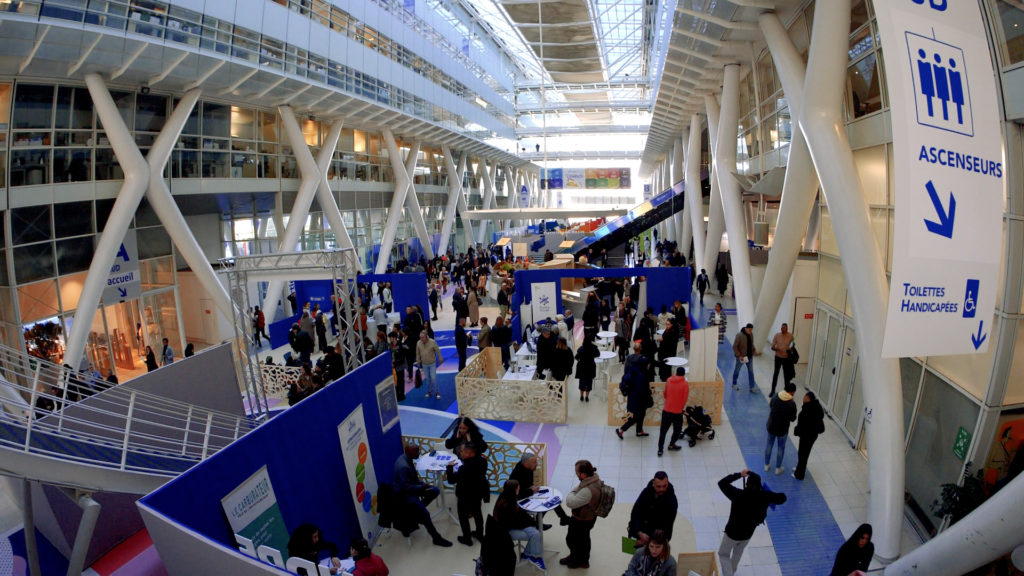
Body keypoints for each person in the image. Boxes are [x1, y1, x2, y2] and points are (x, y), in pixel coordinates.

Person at [717, 470, 787, 576]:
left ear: (746, 483)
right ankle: (732, 571)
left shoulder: (738, 494)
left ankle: (728, 574)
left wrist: (739, 475)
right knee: (738, 553)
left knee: (723, 554)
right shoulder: (765, 496)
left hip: (732, 533)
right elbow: (782, 498)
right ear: (759, 485)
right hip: (747, 534)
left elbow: (722, 483)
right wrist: (767, 493)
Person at [392, 443, 453, 547]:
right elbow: (405, 487)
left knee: (434, 491)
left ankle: (416, 513)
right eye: (416, 451)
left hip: (412, 487)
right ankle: (436, 538)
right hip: (405, 495)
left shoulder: (405, 458)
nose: (419, 453)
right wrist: (422, 487)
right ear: (409, 452)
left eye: (418, 450)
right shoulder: (403, 467)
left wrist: (422, 485)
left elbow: (411, 481)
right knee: (426, 515)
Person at [555, 460, 604, 569]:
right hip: (590, 517)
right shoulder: (595, 480)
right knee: (584, 538)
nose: (576, 474)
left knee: (572, 539)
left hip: (582, 520)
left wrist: (572, 493)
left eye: (577, 472)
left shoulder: (587, 490)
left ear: (584, 474)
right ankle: (581, 559)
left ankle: (577, 560)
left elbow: (570, 502)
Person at [492, 479, 545, 571]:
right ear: (514, 489)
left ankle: (528, 554)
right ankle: (535, 557)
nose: (519, 489)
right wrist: (532, 522)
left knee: (536, 533)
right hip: (506, 532)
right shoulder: (507, 504)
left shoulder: (506, 496)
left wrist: (530, 522)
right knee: (535, 534)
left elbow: (518, 517)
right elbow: (515, 522)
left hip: (511, 526)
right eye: (518, 488)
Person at [446, 441, 489, 546]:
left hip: (464, 496)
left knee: (463, 517)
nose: (460, 453)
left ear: (470, 453)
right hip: (478, 493)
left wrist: (449, 467)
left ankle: (467, 538)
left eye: (462, 451)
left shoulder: (463, 469)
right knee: (477, 514)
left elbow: (451, 480)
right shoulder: (483, 461)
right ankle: (479, 534)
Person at [628, 473, 678, 546]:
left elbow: (667, 525)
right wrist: (638, 533)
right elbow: (635, 513)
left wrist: (651, 541)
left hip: (657, 541)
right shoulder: (646, 493)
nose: (662, 489)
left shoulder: (671, 501)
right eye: (659, 486)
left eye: (664, 486)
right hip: (640, 536)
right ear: (653, 484)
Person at [617, 342, 652, 439]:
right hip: (641, 392)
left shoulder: (628, 359)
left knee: (640, 413)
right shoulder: (643, 361)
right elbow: (648, 372)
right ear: (640, 349)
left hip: (631, 391)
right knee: (638, 414)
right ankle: (622, 429)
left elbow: (625, 373)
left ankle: (639, 430)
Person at [764, 382, 797, 475]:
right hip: (782, 429)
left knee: (769, 444)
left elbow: (770, 406)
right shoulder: (791, 403)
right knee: (780, 447)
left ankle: (766, 465)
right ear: (792, 392)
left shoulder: (775, 396)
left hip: (771, 425)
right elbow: (793, 418)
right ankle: (778, 468)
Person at [793, 390, 826, 480]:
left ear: (808, 399)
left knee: (802, 455)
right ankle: (799, 468)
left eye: (805, 397)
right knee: (804, 454)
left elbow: (801, 426)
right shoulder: (817, 408)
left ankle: (799, 474)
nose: (803, 398)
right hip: (812, 436)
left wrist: (796, 431)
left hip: (806, 436)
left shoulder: (806, 411)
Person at [658, 367, 689, 456]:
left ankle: (660, 449)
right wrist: (680, 406)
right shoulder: (685, 384)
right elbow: (684, 399)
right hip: (677, 412)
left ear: (676, 372)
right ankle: (672, 444)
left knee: (663, 431)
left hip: (667, 410)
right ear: (684, 374)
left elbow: (665, 394)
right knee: (677, 430)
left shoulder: (668, 380)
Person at [769, 323, 795, 398]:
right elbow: (772, 347)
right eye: (782, 328)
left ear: (787, 328)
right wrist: (776, 348)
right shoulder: (777, 335)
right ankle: (772, 390)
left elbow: (793, 345)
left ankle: (787, 390)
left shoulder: (790, 336)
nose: (782, 329)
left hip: (786, 358)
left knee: (786, 375)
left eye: (784, 328)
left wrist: (791, 349)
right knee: (775, 373)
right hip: (778, 357)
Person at [415, 331, 443, 399]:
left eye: (423, 337)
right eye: (420, 337)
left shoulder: (432, 342)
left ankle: (437, 392)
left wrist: (440, 358)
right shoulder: (418, 343)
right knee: (427, 379)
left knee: (433, 378)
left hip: (432, 363)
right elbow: (417, 353)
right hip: (424, 364)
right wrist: (418, 362)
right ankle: (429, 391)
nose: (421, 339)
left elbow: (437, 350)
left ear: (426, 336)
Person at [731, 323, 756, 392]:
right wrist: (739, 355)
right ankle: (734, 384)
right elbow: (734, 346)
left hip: (749, 357)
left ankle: (752, 387)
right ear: (746, 328)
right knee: (737, 370)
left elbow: (751, 344)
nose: (750, 331)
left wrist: (754, 350)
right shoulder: (739, 335)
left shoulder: (751, 334)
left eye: (751, 330)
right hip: (741, 357)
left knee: (751, 372)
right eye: (749, 329)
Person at [657, 317, 680, 381]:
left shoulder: (673, 331)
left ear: (672, 325)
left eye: (668, 324)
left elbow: (670, 342)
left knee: (667, 367)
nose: (667, 326)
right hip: (664, 351)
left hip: (668, 352)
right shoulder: (668, 329)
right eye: (666, 324)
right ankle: (663, 377)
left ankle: (666, 378)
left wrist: (663, 340)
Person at [388, 333, 407, 401]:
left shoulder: (400, 345)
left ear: (395, 338)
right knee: (395, 381)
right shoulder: (390, 346)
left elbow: (402, 358)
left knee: (400, 380)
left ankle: (401, 395)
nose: (390, 339)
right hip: (393, 367)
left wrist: (395, 363)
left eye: (391, 337)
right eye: (389, 338)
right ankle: (397, 394)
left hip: (400, 366)